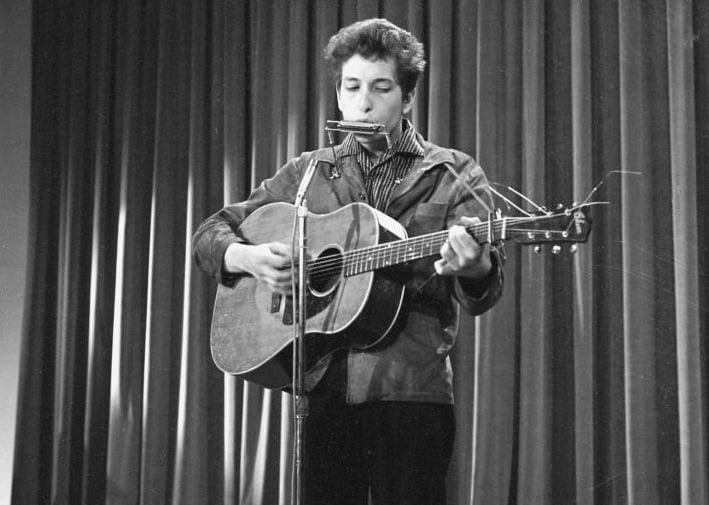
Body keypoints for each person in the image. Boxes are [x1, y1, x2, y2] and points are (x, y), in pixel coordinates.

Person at [193, 18, 504, 505]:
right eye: (352, 87)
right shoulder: (311, 171)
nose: (364, 102)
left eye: (381, 88)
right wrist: (247, 257)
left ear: (407, 97)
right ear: (338, 94)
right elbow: (210, 233)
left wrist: (475, 267)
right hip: (324, 387)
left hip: (411, 389)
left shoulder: (452, 172)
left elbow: (483, 292)